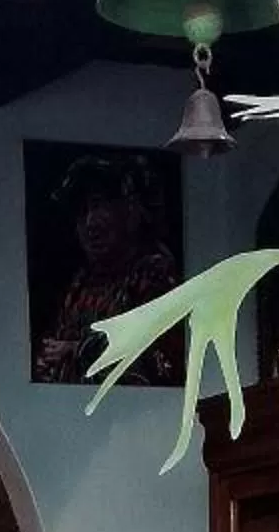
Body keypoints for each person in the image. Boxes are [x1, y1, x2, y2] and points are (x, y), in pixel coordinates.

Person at [32, 155, 180, 383]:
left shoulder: (154, 274)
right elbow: (55, 347)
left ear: (131, 210)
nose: (89, 223)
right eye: (81, 212)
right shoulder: (81, 284)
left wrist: (78, 351)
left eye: (98, 205)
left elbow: (156, 359)